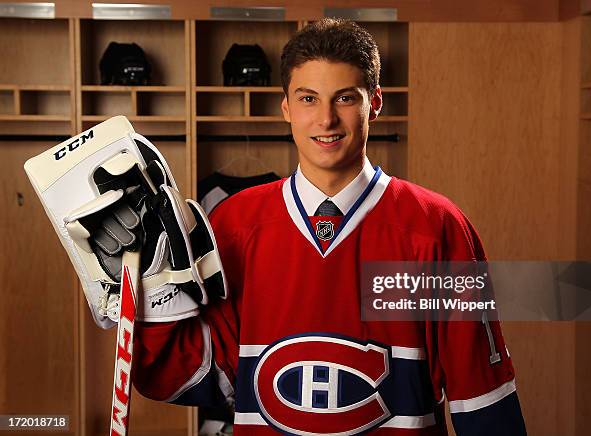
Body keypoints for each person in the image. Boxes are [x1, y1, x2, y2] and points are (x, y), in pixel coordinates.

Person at [133, 19, 527, 435]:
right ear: (285, 107)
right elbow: (197, 381)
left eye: (344, 98)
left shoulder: (434, 227)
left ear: (374, 103)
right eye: (308, 98)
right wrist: (155, 298)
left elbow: (481, 398)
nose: (325, 119)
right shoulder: (234, 225)